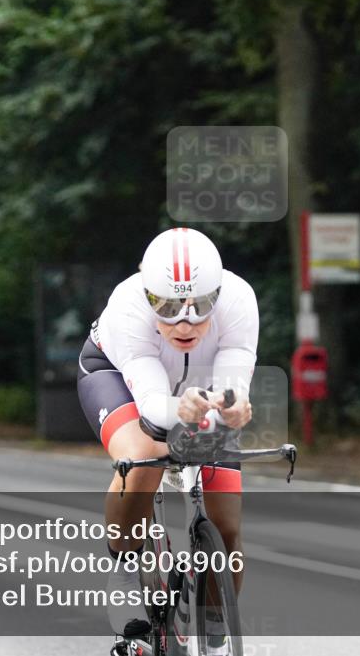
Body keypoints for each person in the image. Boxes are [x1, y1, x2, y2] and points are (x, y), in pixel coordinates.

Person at [77, 227, 257, 651]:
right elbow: (155, 405)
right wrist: (180, 410)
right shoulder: (127, 309)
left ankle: (214, 624)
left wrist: (234, 404)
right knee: (145, 453)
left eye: (200, 307)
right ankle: (124, 566)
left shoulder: (239, 299)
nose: (185, 322)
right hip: (118, 377)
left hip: (199, 390)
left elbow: (233, 377)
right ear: (147, 295)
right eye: (168, 306)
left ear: (218, 292)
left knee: (228, 528)